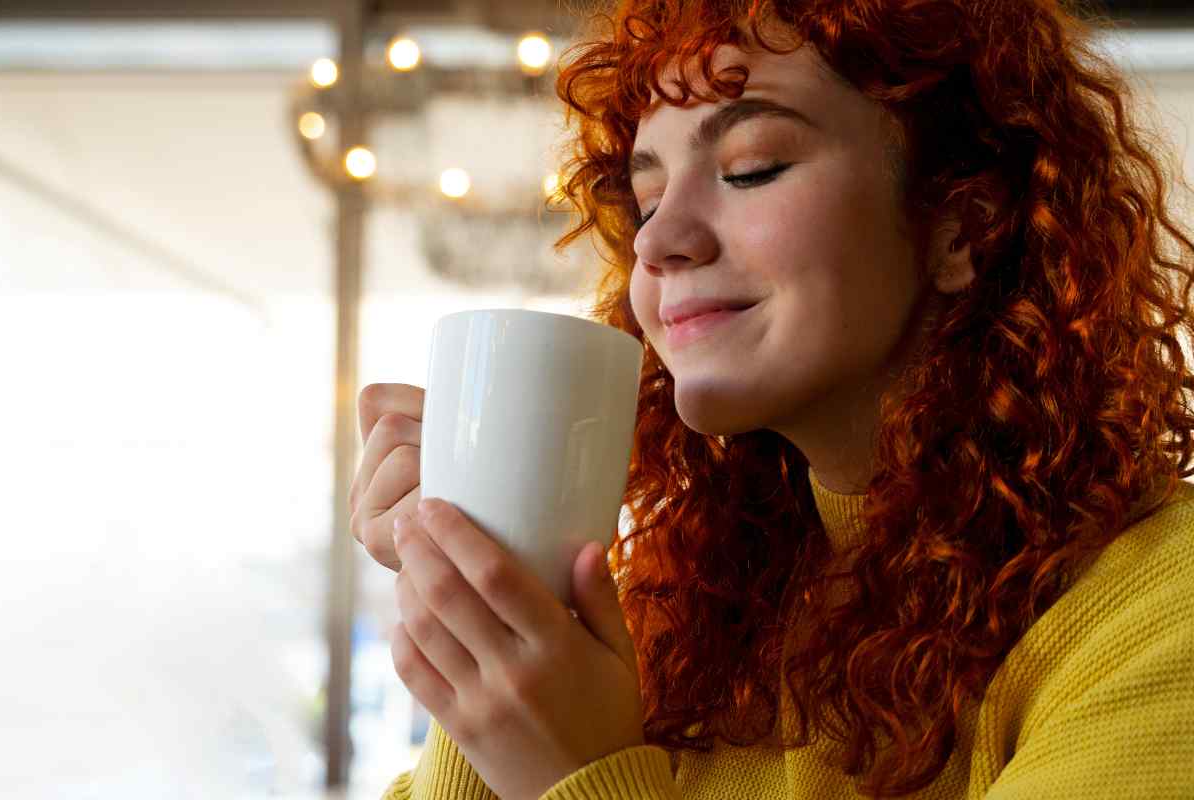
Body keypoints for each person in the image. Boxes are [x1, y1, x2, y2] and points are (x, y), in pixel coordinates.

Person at [350, 0, 1194, 797]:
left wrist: (579, 776)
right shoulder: (689, 621)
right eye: (646, 200)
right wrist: (498, 580)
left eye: (752, 169)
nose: (657, 240)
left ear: (962, 226)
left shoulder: (1162, 613)